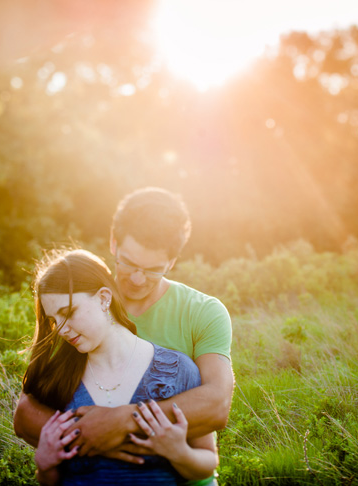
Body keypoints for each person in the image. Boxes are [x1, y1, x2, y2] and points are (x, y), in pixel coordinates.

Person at [14, 187, 234, 468]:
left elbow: (217, 405)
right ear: (113, 242)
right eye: (128, 263)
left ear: (172, 262)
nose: (138, 279)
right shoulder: (81, 304)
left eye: (154, 269)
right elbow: (25, 415)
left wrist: (123, 422)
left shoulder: (203, 312)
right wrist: (91, 437)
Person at [26, 249, 218, 485]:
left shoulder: (178, 370)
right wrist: (44, 466)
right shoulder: (57, 380)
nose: (60, 330)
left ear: (104, 298)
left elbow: (208, 462)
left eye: (69, 313)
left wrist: (180, 453)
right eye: (53, 320)